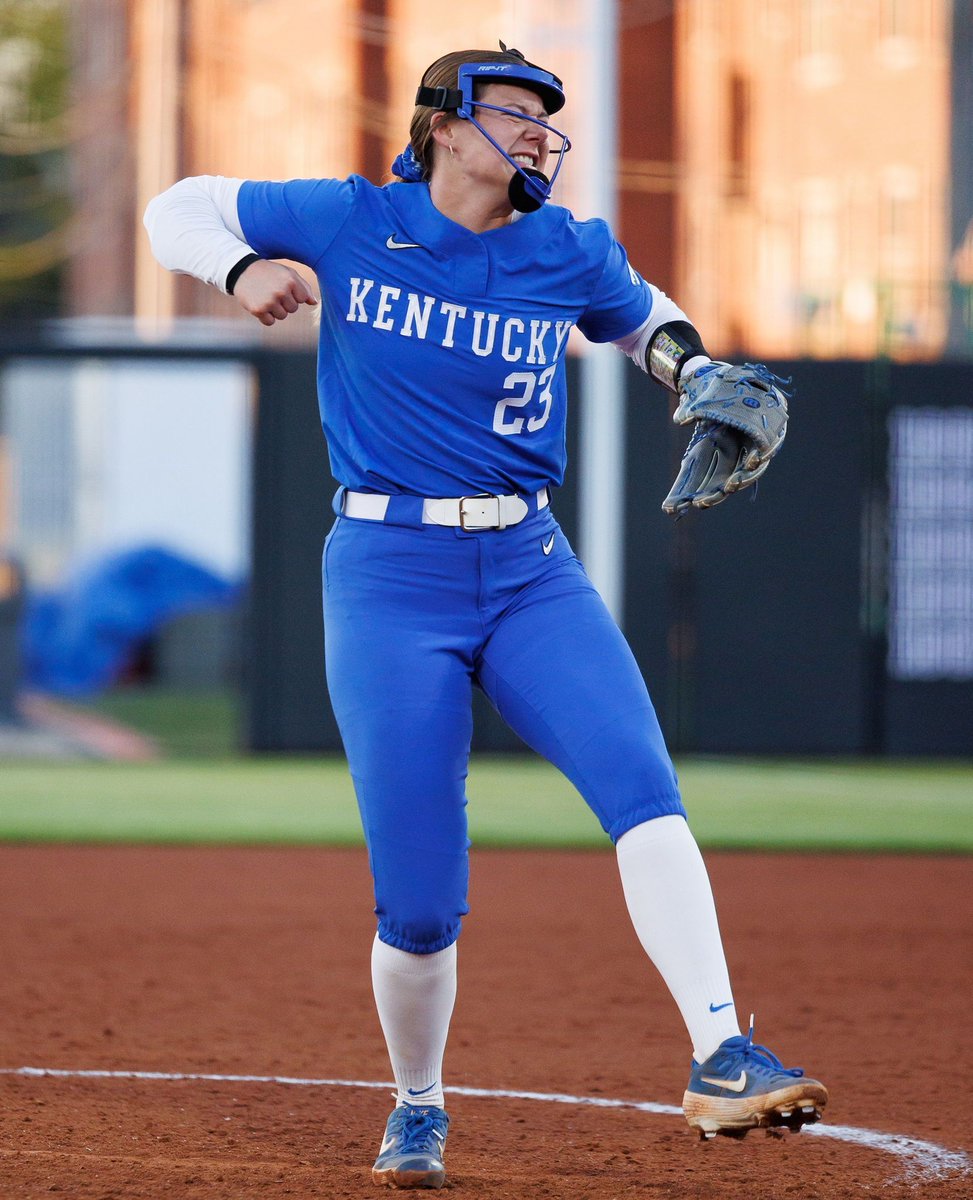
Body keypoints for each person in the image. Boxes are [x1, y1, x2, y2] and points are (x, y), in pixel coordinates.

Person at [144, 44, 827, 1191]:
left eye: (543, 119)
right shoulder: (353, 219)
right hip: (386, 571)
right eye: (511, 114)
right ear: (443, 129)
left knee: (641, 791)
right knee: (418, 903)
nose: (535, 134)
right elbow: (177, 207)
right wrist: (239, 266)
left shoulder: (564, 246)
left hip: (527, 563)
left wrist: (687, 363)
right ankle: (418, 1103)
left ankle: (721, 1051)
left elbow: (633, 307)